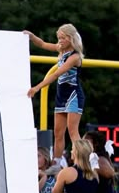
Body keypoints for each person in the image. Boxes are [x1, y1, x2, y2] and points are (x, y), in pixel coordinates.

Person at [25, 24, 85, 168]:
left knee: (73, 131)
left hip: (73, 95)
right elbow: (43, 44)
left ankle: (82, 162)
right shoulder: (61, 50)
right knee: (58, 133)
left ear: (71, 38)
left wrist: (37, 87)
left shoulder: (75, 56)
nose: (60, 41)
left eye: (63, 38)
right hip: (61, 96)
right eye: (58, 38)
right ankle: (57, 163)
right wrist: (32, 37)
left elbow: (57, 73)